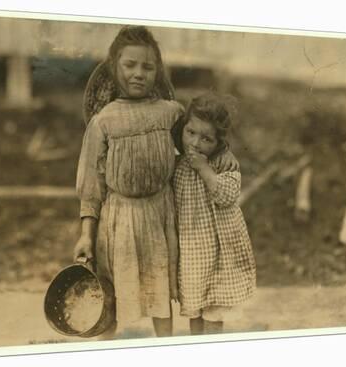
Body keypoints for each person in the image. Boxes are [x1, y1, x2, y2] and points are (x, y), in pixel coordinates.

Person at [73, 26, 237, 338]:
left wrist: (225, 154)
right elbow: (91, 187)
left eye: (148, 67)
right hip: (119, 219)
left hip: (161, 214)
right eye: (129, 65)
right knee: (111, 296)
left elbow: (200, 140)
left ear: (157, 71)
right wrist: (86, 235)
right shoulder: (103, 122)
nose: (139, 74)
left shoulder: (171, 114)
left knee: (161, 295)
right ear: (114, 68)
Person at [172, 93, 256, 335]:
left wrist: (205, 168)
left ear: (219, 143)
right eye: (191, 133)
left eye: (206, 138)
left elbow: (227, 196)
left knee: (214, 310)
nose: (196, 143)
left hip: (219, 251)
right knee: (194, 306)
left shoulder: (223, 165)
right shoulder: (177, 165)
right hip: (191, 251)